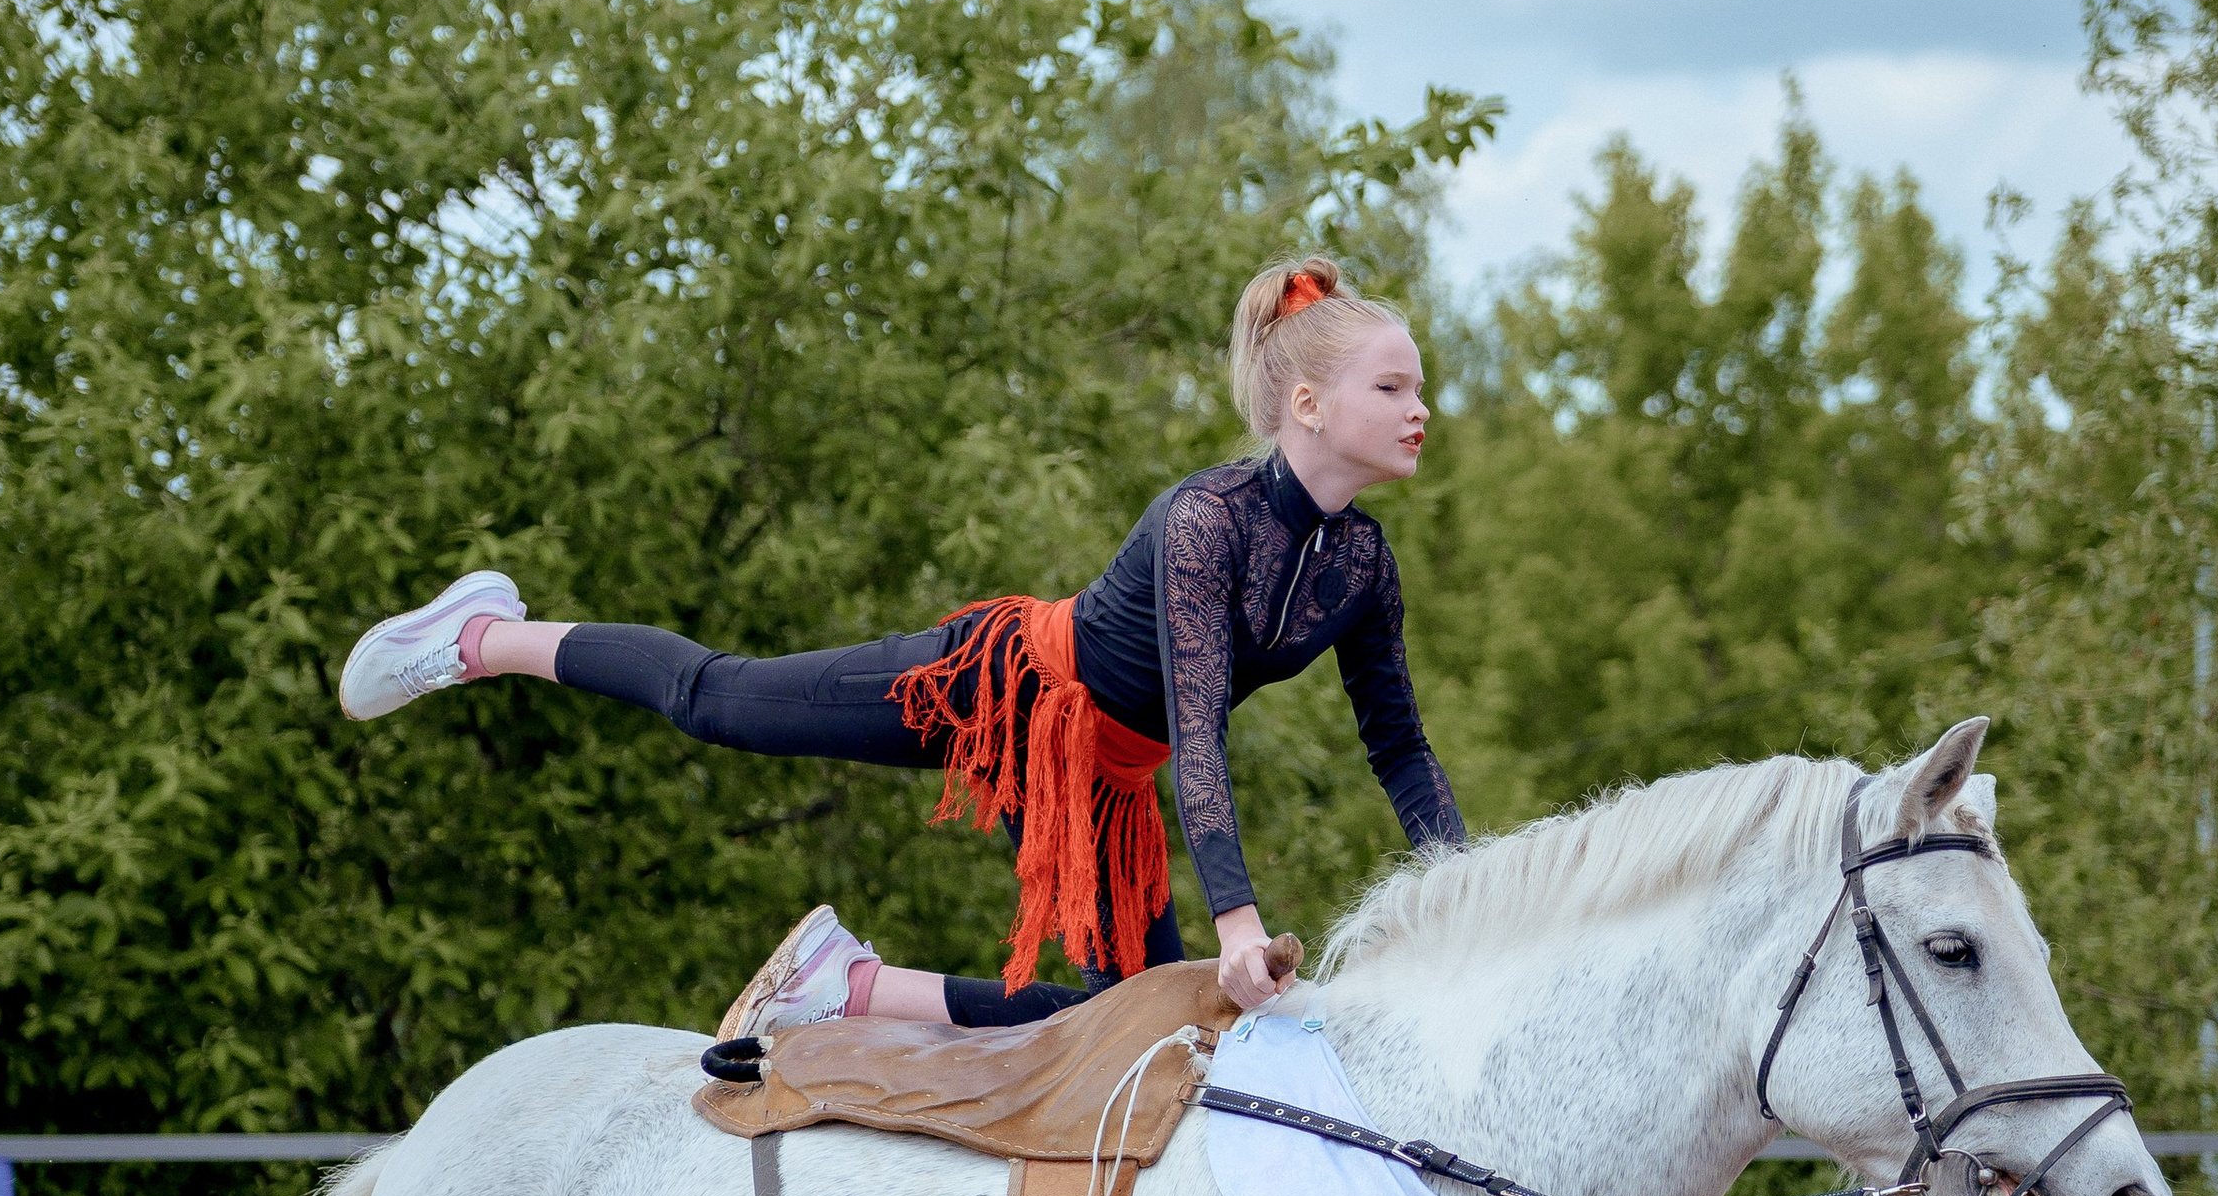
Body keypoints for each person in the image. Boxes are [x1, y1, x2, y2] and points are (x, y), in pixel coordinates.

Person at [337, 254, 1464, 1033]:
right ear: (1307, 404)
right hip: (1007, 694)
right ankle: (483, 634)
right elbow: (1203, 734)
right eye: (1393, 384)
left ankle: (849, 986)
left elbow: (1400, 751)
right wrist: (1238, 923)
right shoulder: (1204, 521)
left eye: (1418, 385)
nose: (1421, 406)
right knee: (718, 701)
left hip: (1108, 780)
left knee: (1141, 1030)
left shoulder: (1361, 566)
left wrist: (1468, 896)